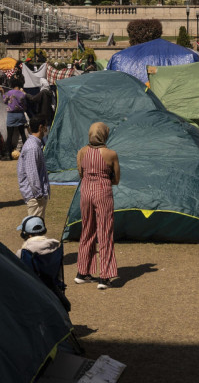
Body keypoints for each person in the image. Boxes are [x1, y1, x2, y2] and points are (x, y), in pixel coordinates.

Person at [75, 122, 120, 290]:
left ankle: (82, 272)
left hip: (86, 191)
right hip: (103, 192)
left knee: (87, 230)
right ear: (105, 134)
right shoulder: (111, 154)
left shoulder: (82, 152)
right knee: (105, 231)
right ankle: (104, 276)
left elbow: (80, 173)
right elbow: (116, 179)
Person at [18, 122, 51, 220]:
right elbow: (32, 173)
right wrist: (39, 195)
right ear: (41, 127)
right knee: (35, 227)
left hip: (36, 195)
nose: (47, 129)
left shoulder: (34, 144)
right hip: (35, 196)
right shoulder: (33, 147)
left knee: (36, 226)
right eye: (46, 126)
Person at [1, 81, 26, 160]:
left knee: (10, 135)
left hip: (11, 115)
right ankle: (26, 152)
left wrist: (2, 92)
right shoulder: (22, 93)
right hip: (20, 114)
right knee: (22, 134)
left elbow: (5, 101)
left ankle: (8, 155)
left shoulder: (9, 92)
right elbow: (25, 103)